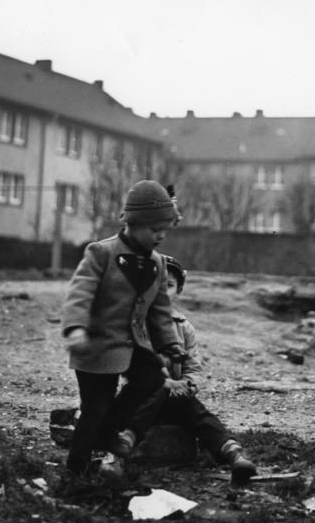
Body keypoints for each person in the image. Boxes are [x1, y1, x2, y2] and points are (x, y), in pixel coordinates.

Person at [61, 180, 186, 480]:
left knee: (154, 379)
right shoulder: (101, 252)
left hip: (132, 346)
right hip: (96, 346)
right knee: (95, 407)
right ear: (134, 222)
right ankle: (76, 469)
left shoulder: (156, 263)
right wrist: (76, 327)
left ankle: (107, 435)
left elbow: (160, 310)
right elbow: (81, 292)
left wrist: (170, 346)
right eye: (155, 228)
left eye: (165, 229)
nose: (161, 235)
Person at [110, 256, 258, 484]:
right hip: (138, 400)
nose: (161, 292)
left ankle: (232, 453)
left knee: (197, 412)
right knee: (155, 386)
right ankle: (119, 450)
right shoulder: (135, 324)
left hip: (173, 400)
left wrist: (188, 385)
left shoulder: (183, 327)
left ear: (178, 290)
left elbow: (193, 367)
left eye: (168, 286)